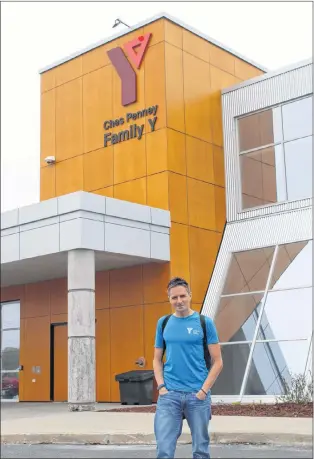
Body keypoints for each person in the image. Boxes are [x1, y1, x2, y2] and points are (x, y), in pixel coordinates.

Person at [153, 277, 223, 459]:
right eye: (174, 297)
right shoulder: (163, 323)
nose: (179, 301)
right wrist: (161, 386)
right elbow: (156, 359)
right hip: (170, 396)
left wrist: (203, 390)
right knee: (163, 449)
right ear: (169, 299)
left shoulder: (204, 323)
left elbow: (218, 361)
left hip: (197, 395)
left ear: (190, 295)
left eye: (183, 296)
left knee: (200, 450)